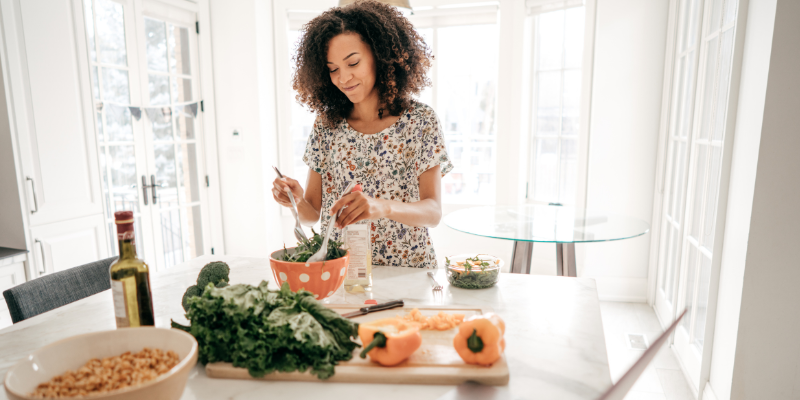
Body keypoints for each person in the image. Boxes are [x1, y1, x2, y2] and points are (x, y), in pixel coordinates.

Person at [272, 0, 452, 268]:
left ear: (380, 55)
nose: (343, 78)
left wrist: (382, 206)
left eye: (352, 63)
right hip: (342, 273)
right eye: (333, 69)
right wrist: (296, 200)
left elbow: (433, 213)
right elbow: (313, 214)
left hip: (408, 273)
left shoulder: (420, 121)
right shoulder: (326, 126)